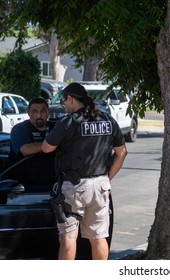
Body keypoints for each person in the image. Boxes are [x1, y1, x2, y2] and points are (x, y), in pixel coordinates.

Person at [41, 82, 127, 260]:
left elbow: (46, 148)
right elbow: (121, 153)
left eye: (64, 102)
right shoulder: (108, 120)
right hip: (101, 185)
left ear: (70, 99)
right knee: (99, 237)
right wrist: (107, 177)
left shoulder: (69, 122)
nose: (64, 106)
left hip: (74, 187)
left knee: (68, 237)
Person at [9, 97, 52, 163]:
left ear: (48, 112)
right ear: (28, 113)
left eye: (43, 111)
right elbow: (26, 150)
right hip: (24, 171)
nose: (39, 115)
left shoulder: (56, 127)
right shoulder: (19, 128)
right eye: (35, 111)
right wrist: (53, 144)